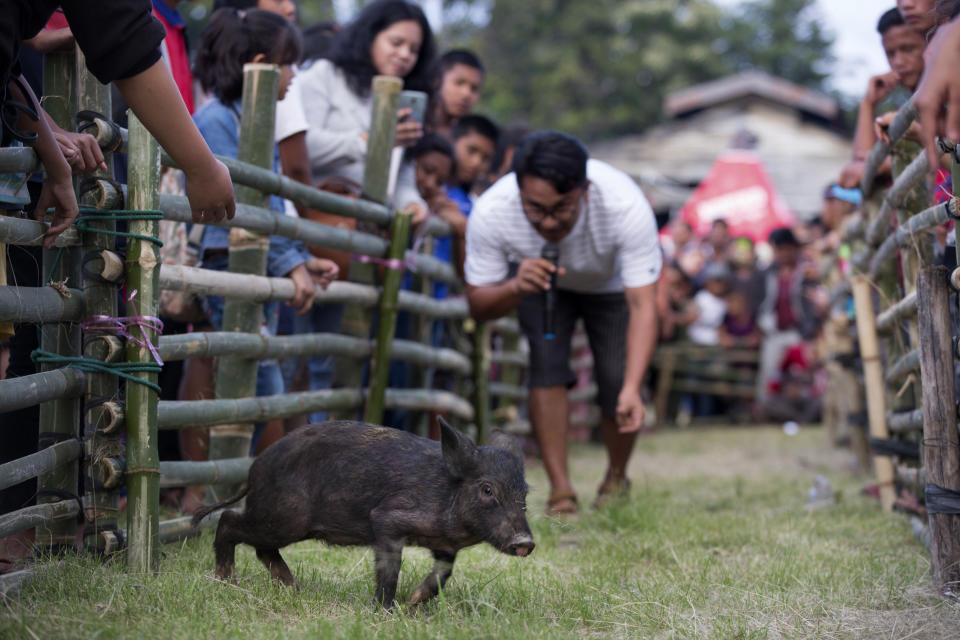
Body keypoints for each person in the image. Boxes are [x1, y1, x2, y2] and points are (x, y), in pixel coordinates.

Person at [178, 8, 338, 510]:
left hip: (256, 260)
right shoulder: (217, 121)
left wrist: (297, 259)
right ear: (264, 65)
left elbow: (266, 210)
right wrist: (291, 261)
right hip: (231, 262)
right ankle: (231, 495)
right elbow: (247, 207)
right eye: (291, 66)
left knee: (252, 373)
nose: (295, 78)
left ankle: (223, 494)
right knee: (255, 377)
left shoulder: (247, 120)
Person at [464, 131, 661, 516]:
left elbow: (643, 306)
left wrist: (635, 387)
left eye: (562, 208)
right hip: (536, 280)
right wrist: (515, 285)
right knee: (546, 367)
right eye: (535, 209)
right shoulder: (492, 211)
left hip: (611, 284)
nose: (550, 222)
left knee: (617, 380)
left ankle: (616, 477)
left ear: (585, 190)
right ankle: (561, 491)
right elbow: (478, 305)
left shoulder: (625, 205)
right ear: (517, 189)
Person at [280, 0, 436, 222]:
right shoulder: (326, 75)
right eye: (396, 42)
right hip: (318, 220)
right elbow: (302, 147)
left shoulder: (403, 99)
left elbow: (401, 175)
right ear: (371, 36)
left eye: (414, 50)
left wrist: (412, 203)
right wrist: (372, 142)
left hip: (370, 228)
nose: (404, 55)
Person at [839, 7, 926, 188]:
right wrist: (868, 104)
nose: (898, 62)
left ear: (932, 43)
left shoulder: (950, 100)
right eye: (890, 53)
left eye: (908, 49)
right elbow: (860, 166)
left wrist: (887, 165)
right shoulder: (901, 113)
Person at [428, 49, 485, 139]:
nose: (466, 94)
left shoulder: (470, 141)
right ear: (437, 80)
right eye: (459, 83)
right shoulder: (412, 126)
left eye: (474, 89)